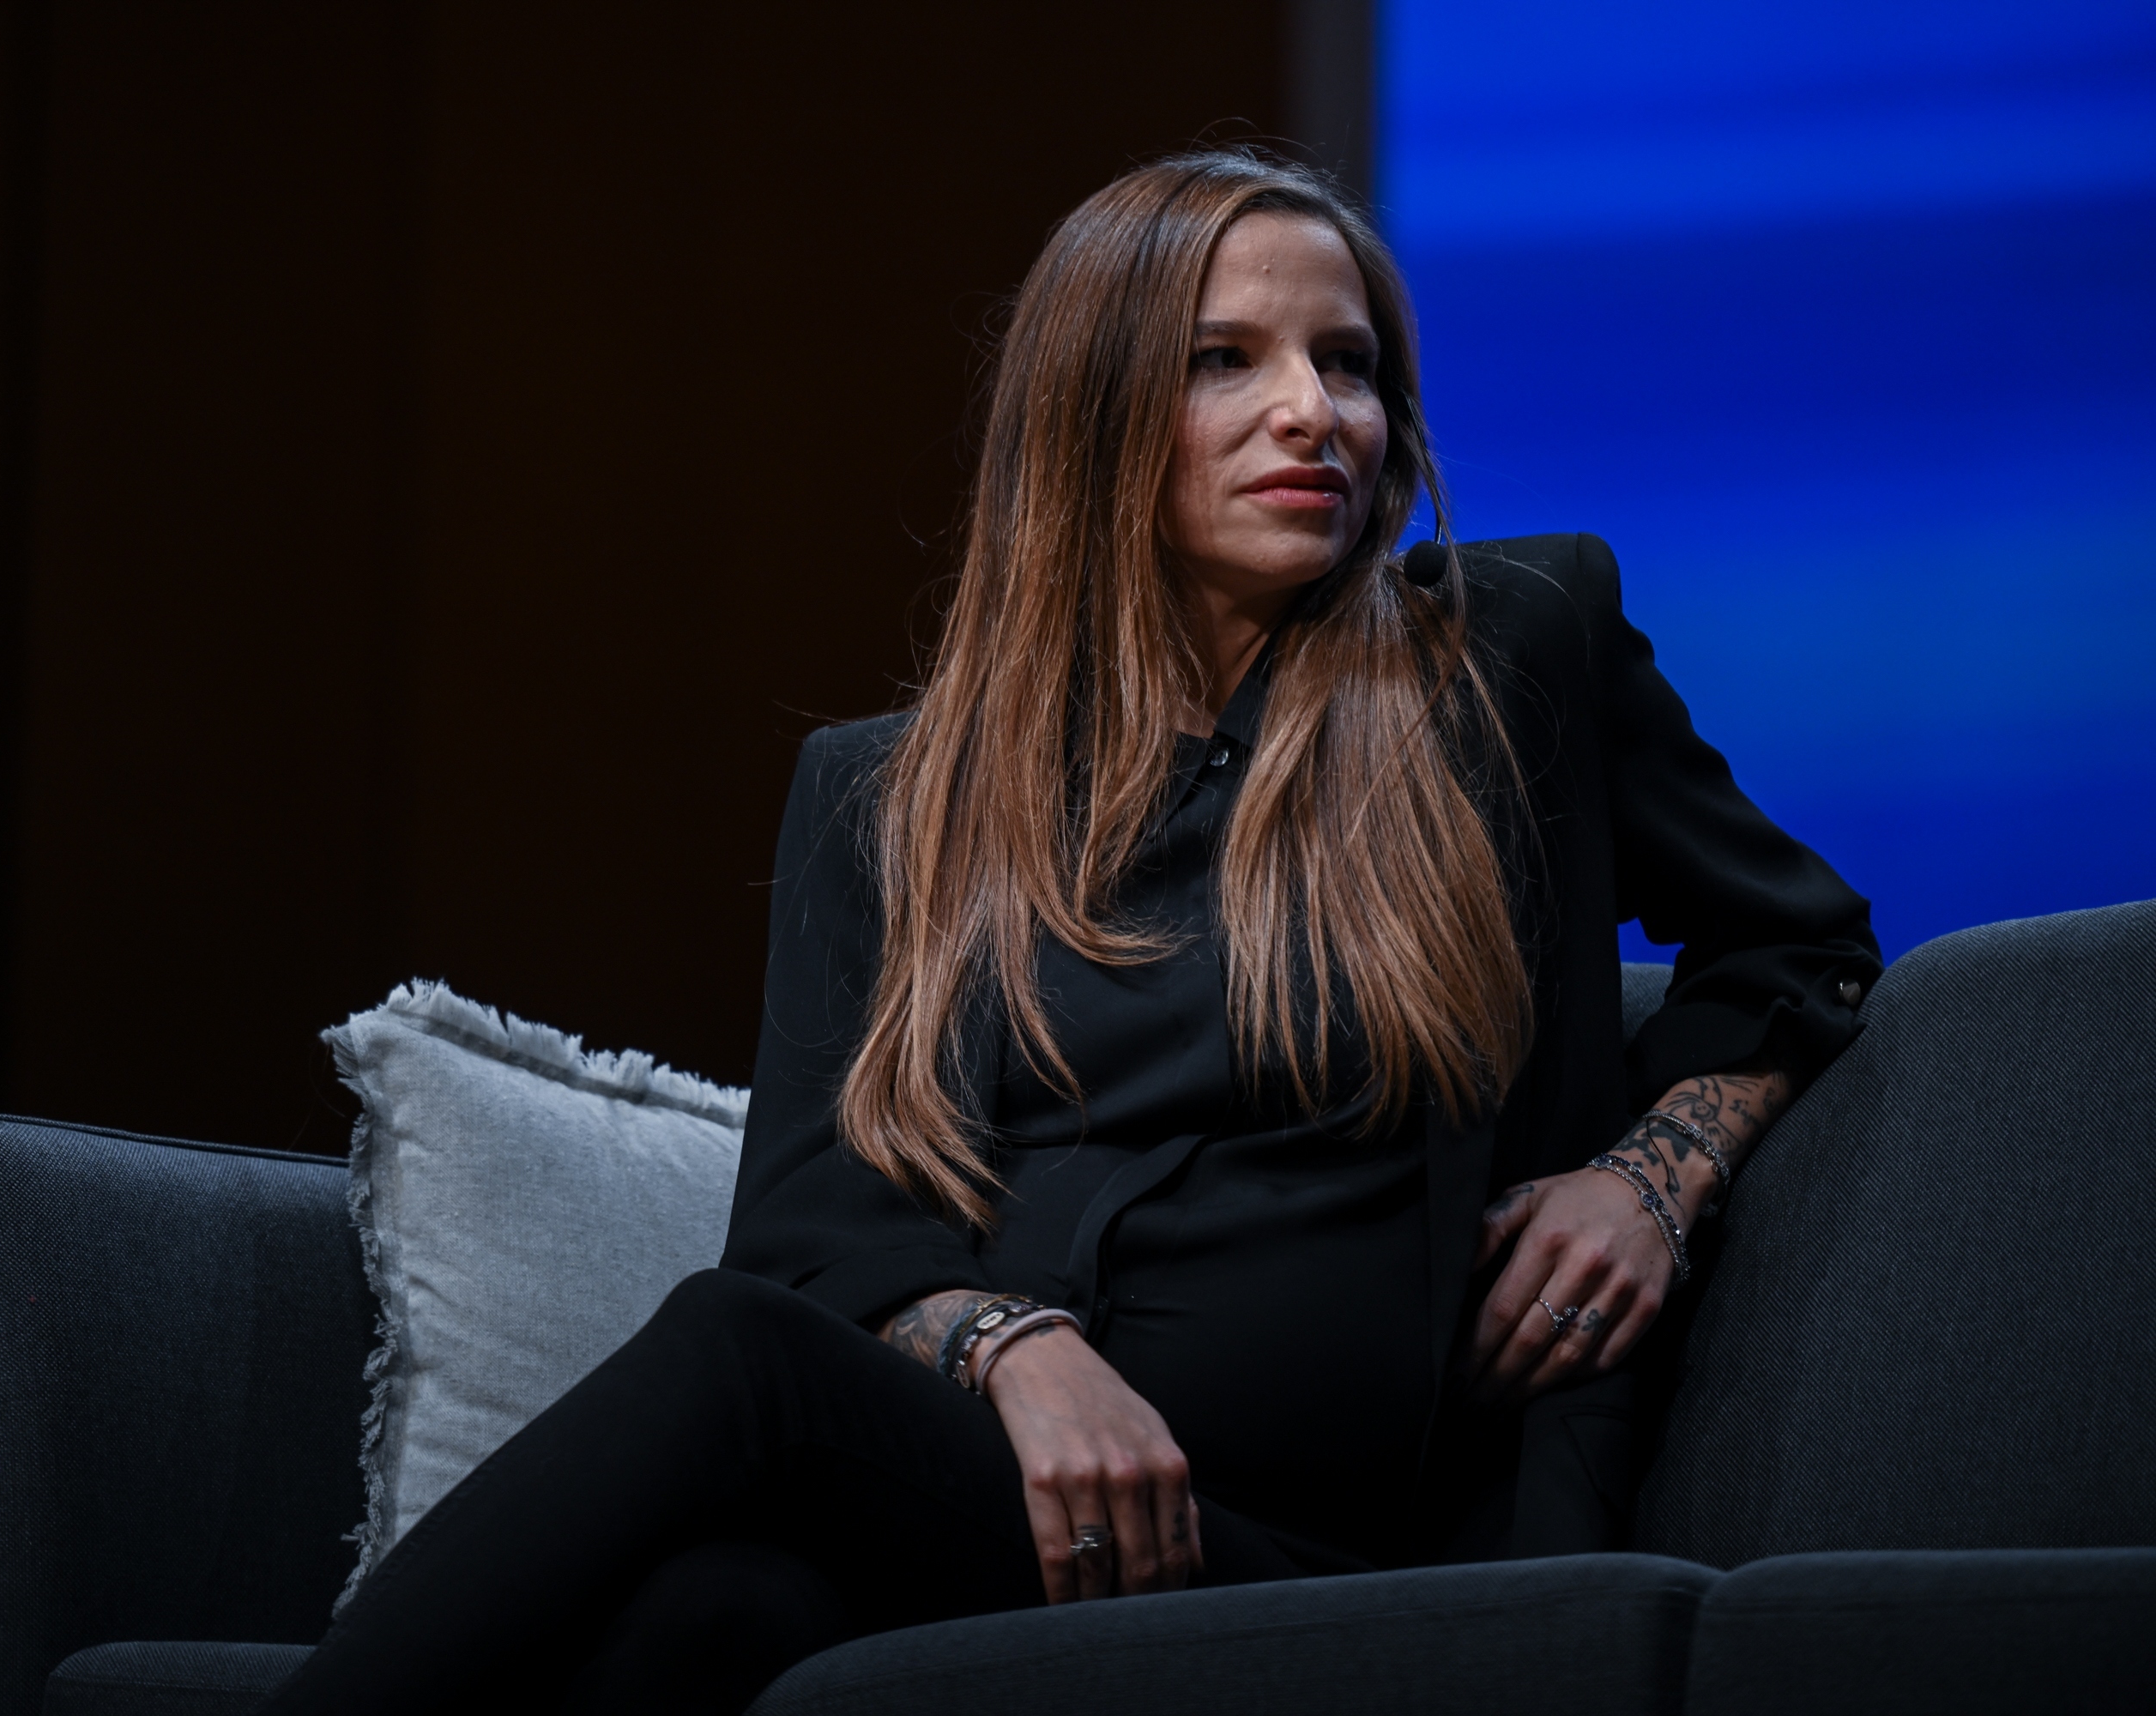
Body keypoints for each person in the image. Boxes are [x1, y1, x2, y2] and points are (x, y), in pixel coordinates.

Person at [259, 148, 1878, 1716]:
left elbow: (1800, 948)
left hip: (1349, 1551)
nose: (1313, 411)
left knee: (736, 1359)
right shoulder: (889, 797)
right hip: (1021, 1508)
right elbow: (815, 1226)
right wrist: (1014, 1352)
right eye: (1224, 361)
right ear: (1090, 415)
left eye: (1349, 364)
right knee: (714, 1616)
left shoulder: (1508, 660)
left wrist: (1649, 1180)